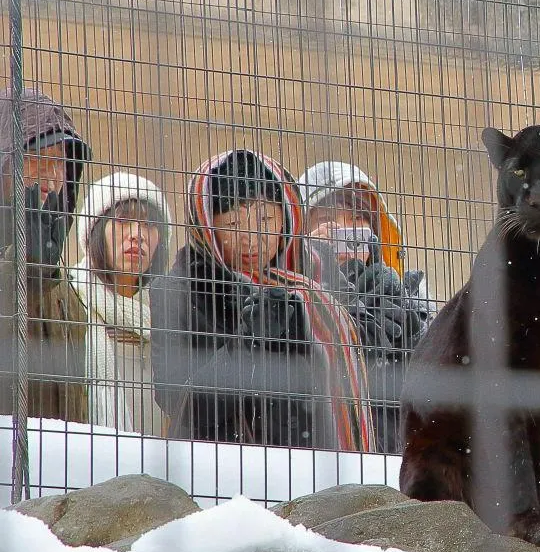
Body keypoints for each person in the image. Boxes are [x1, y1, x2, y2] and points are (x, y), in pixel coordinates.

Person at [149, 150, 374, 450]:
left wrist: (385, 326)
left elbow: (362, 370)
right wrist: (247, 342)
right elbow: (175, 400)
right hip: (226, 470)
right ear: (206, 227)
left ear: (287, 215)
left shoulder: (320, 268)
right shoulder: (178, 289)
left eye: (265, 218)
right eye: (232, 225)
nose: (251, 238)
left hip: (317, 464)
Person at [298, 161, 432, 453]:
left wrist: (412, 337)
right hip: (315, 463)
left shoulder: (408, 292)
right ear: (300, 231)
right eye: (327, 219)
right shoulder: (285, 294)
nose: (343, 229)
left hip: (393, 468)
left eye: (358, 218)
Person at [0, 88, 91, 423]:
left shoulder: (66, 289)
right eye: (37, 159)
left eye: (62, 166)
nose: (52, 180)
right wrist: (19, 270)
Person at [71, 172, 171, 434]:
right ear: (95, 232)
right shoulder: (69, 299)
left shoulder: (174, 312)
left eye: (149, 225)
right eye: (123, 220)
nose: (137, 235)